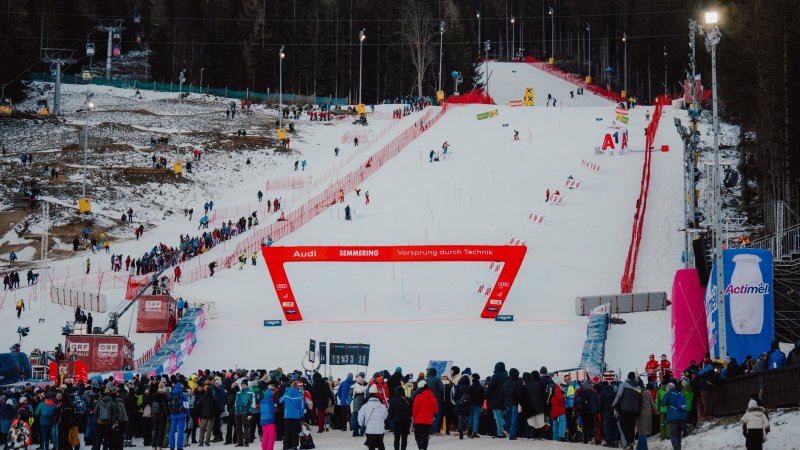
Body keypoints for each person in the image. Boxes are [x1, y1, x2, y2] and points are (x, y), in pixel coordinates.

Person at [612, 372, 642, 450]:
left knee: (624, 425)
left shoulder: (624, 384)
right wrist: (638, 410)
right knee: (631, 426)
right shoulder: (638, 387)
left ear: (628, 377)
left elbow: (619, 395)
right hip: (635, 410)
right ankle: (631, 443)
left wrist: (614, 404)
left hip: (625, 409)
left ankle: (629, 443)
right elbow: (640, 400)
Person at [358, 385, 388, 450]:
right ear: (377, 394)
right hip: (380, 429)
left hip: (369, 429)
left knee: (371, 446)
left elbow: (360, 416)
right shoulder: (382, 406)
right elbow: (385, 415)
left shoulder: (365, 406)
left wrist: (361, 424)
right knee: (381, 444)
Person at [411, 381, 437, 450]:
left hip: (419, 420)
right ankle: (424, 448)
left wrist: (413, 417)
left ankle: (420, 448)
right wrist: (433, 416)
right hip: (428, 421)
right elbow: (435, 410)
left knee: (418, 436)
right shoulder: (433, 398)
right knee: (426, 437)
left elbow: (415, 409)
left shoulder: (418, 397)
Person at [661, 383, 687, 450]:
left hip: (673, 418)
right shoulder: (679, 394)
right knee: (678, 435)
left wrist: (663, 400)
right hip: (681, 418)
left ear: (668, 388)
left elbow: (663, 404)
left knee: (673, 436)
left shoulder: (668, 394)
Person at [279, 381, 304, 450]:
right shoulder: (300, 395)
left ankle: (286, 446)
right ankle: (294, 446)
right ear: (297, 387)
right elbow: (301, 407)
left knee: (287, 431)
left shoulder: (286, 394)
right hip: (296, 416)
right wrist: (302, 415)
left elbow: (280, 401)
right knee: (295, 431)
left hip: (287, 415)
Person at [168, 383, 189, 450]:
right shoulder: (182, 394)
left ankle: (171, 446)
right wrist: (188, 414)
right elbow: (187, 405)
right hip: (181, 415)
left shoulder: (171, 394)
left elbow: (168, 404)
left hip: (173, 415)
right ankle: (179, 447)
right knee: (180, 431)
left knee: (172, 431)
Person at [637, 381, 657, 449]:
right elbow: (652, 403)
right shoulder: (648, 392)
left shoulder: (637, 392)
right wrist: (656, 411)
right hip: (647, 413)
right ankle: (639, 448)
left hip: (639, 413)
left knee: (641, 432)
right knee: (643, 432)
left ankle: (644, 448)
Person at [235, 379, 253, 446]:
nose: (243, 386)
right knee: (238, 427)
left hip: (245, 411)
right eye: (242, 385)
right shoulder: (238, 392)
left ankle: (247, 442)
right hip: (238, 412)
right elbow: (236, 402)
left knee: (246, 427)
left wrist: (250, 412)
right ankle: (240, 442)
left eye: (244, 385)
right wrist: (236, 409)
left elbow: (252, 403)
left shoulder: (250, 393)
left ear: (247, 385)